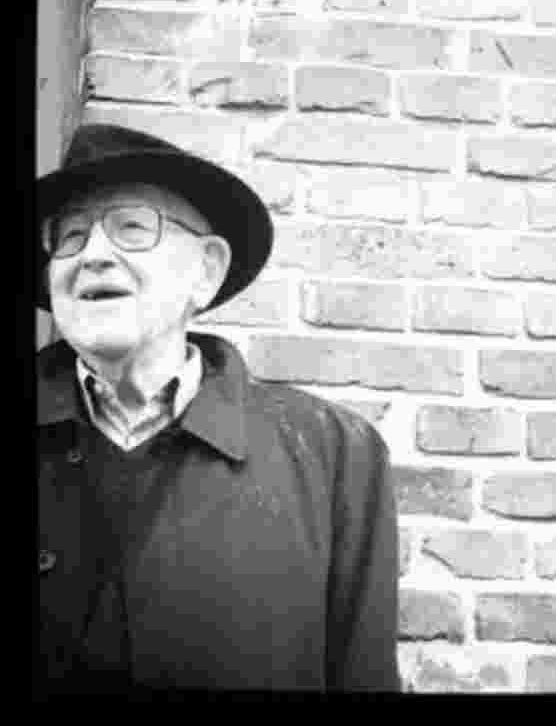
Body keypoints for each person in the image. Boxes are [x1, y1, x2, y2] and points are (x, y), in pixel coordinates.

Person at [36, 123, 400, 694]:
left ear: (205, 271)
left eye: (131, 228)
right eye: (70, 237)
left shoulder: (335, 453)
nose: (93, 255)